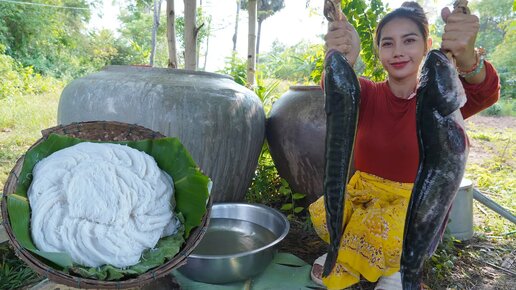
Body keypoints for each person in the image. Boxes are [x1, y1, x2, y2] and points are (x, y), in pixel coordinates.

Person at [309, 1, 500, 289]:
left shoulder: (443, 98)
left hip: (412, 208)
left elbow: (484, 91)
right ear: (378, 51)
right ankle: (350, 251)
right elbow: (336, 89)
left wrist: (468, 59)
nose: (398, 51)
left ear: (427, 45)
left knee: (393, 237)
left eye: (409, 40)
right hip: (365, 197)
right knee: (341, 221)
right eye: (388, 43)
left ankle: (397, 267)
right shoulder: (369, 94)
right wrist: (340, 58)